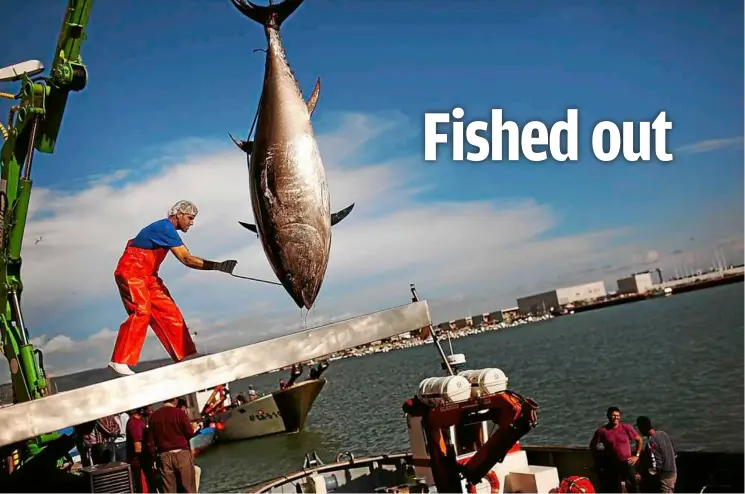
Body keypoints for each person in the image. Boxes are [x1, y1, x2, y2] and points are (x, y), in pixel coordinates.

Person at [108, 200, 238, 376]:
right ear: (179, 215)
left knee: (170, 312)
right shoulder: (164, 228)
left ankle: (187, 356)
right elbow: (187, 259)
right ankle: (119, 361)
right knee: (141, 312)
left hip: (149, 276)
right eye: (190, 218)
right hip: (132, 272)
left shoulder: (167, 231)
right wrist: (218, 266)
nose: (192, 223)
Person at [147, 397, 198, 493]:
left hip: (164, 456)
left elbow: (151, 442)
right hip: (181, 453)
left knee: (169, 490)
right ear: (175, 400)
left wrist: (154, 458)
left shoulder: (153, 417)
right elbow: (189, 433)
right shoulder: (179, 413)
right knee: (189, 488)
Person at [590, 406, 644, 493]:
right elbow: (593, 445)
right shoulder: (602, 431)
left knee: (635, 482)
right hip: (612, 464)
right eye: (613, 415)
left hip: (627, 462)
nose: (616, 417)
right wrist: (598, 460)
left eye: (618, 415)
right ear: (608, 416)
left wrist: (636, 456)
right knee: (614, 488)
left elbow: (639, 440)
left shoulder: (626, 428)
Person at [636, 416, 677, 493]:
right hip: (673, 472)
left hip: (664, 476)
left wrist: (649, 472)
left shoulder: (651, 442)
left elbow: (657, 463)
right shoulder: (663, 434)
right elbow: (673, 452)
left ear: (642, 427)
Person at [126, 407, 154, 493]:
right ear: (141, 410)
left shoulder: (137, 421)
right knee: (142, 485)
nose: (150, 410)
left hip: (141, 458)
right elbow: (137, 446)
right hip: (140, 459)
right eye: (148, 409)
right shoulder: (135, 423)